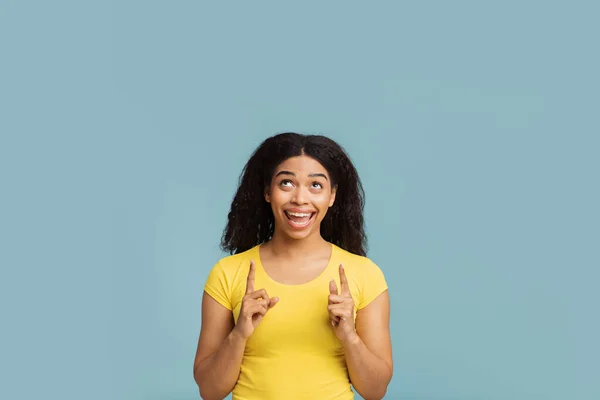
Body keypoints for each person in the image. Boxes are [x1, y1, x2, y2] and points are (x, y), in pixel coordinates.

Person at [193, 132, 393, 400]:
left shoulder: (365, 274)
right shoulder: (227, 273)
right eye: (286, 183)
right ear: (267, 192)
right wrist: (239, 334)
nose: (300, 199)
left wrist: (350, 337)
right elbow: (209, 390)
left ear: (332, 196)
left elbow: (375, 390)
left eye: (316, 186)